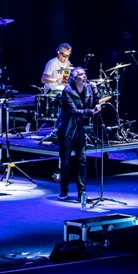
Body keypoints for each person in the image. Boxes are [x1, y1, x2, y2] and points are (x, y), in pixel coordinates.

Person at [55, 66, 101, 201]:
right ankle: (64, 191)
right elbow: (73, 111)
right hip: (67, 130)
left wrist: (96, 94)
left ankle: (82, 192)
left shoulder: (88, 89)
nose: (84, 76)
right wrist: (90, 112)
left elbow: (93, 105)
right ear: (74, 79)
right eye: (80, 74)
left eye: (84, 74)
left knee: (82, 161)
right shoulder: (67, 91)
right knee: (66, 162)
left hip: (80, 130)